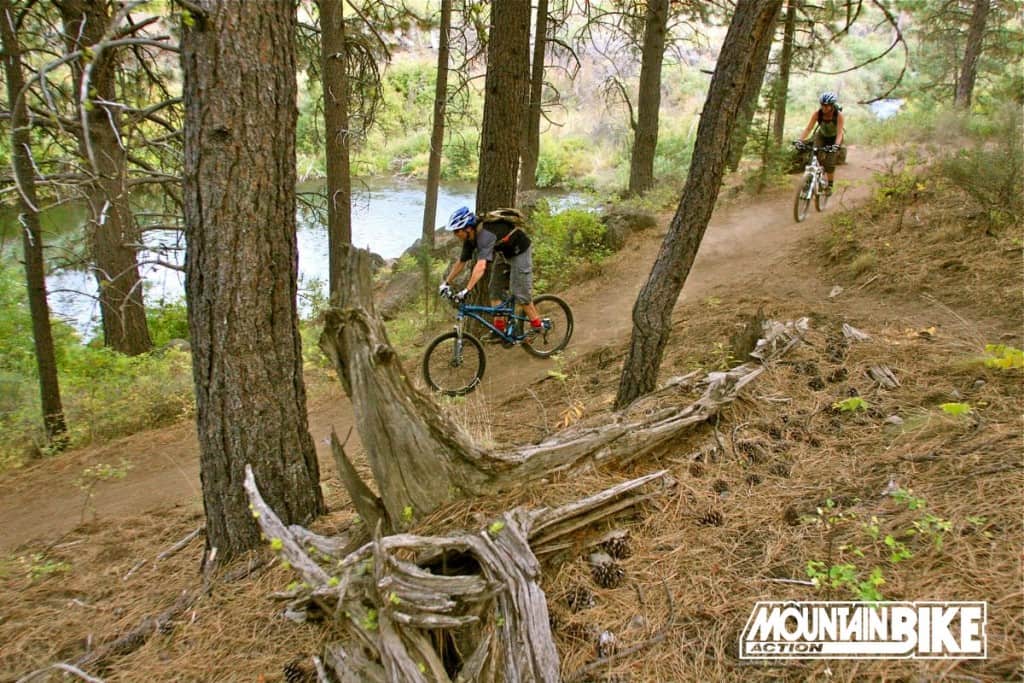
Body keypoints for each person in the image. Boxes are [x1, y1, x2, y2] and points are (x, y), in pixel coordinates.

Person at [438, 206, 543, 342]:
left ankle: (538, 326)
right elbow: (461, 262)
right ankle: (499, 330)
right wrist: (446, 283)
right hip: (504, 254)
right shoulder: (470, 238)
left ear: (467, 228)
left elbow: (481, 266)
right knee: (494, 290)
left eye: (457, 231)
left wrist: (467, 290)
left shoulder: (485, 235)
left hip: (520, 252)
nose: (455, 234)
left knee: (520, 293)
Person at [799, 91, 845, 194]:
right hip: (822, 136)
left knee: (830, 163)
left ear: (832, 106)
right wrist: (799, 140)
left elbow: (839, 133)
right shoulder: (817, 114)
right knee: (814, 155)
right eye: (822, 105)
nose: (824, 107)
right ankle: (811, 179)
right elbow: (808, 129)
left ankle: (830, 185)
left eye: (827, 106)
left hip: (834, 138)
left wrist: (836, 145)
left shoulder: (838, 115)